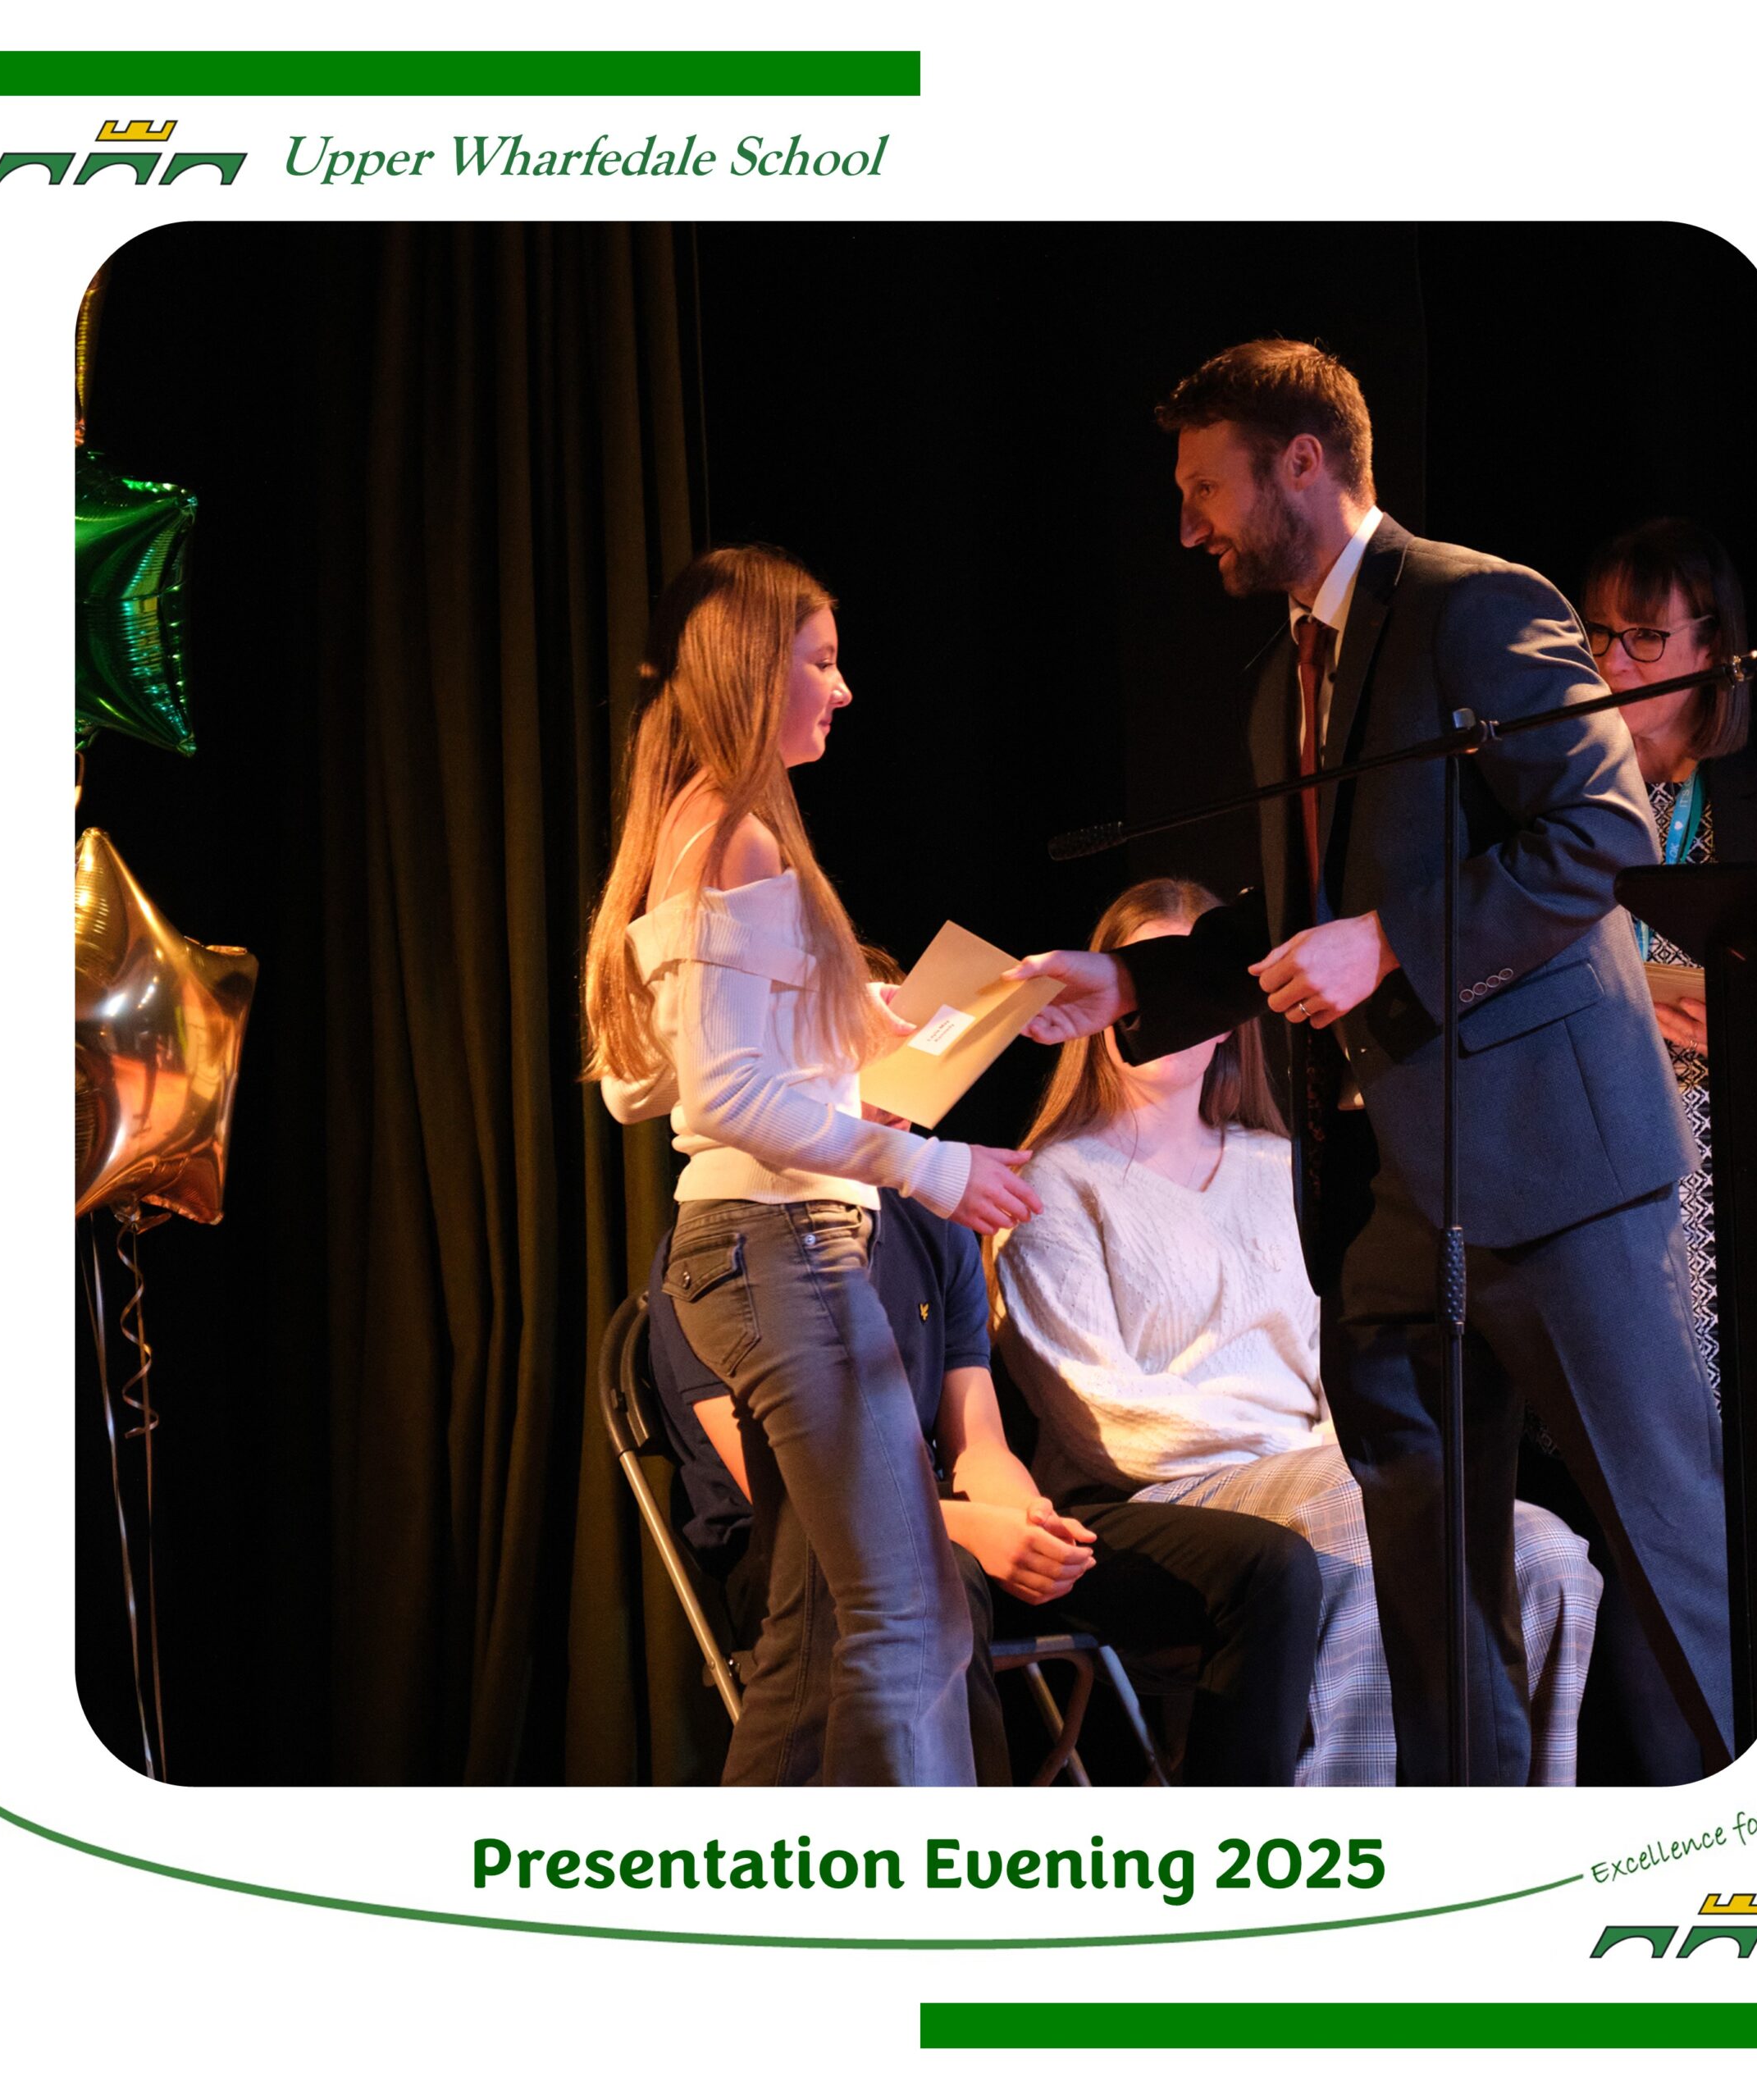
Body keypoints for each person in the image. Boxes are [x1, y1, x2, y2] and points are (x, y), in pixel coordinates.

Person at [1014, 340, 1732, 1783]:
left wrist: (1395, 940)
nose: (1188, 528)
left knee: (1667, 1558)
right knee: (1430, 1590)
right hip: (1390, 1199)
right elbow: (1299, 921)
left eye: (1205, 488)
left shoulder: (1475, 604)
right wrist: (1134, 983)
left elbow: (1601, 833)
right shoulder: (1283, 677)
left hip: (1555, 1172)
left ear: (1302, 465)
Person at [583, 545, 1042, 1786]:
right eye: (821, 662)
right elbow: (727, 1094)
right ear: (751, 668)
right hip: (781, 1250)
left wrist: (865, 1018)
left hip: (753, 1253)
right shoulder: (732, 837)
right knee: (912, 1621)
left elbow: (647, 1075)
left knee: (812, 1641)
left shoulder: (696, 830)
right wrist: (930, 1171)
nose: (843, 690)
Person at [993, 877, 1601, 1785]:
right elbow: (1099, 1413)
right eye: (1137, 978)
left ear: (1224, 1010)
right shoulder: (1050, 1182)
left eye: (1180, 978)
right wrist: (1317, 1459)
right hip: (1163, 1491)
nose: (1157, 1008)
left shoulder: (1280, 1166)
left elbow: (1344, 1359)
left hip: (1322, 1467)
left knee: (1548, 1555)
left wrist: (1343, 1453)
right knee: (1366, 1538)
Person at [648, 1060, 1322, 1787]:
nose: (898, 1094)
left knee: (1265, 1566)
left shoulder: (927, 1222)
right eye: (861, 1067)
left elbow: (978, 1444)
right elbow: (792, 1492)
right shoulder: (735, 1251)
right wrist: (973, 1531)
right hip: (804, 1549)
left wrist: (1026, 1520)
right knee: (948, 1577)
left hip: (950, 1522)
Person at [1579, 516, 1757, 1400]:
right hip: (1594, 1131)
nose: (1614, 662)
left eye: (1646, 637)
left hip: (1734, 1142)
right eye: (1600, 633)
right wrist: (1626, 1001)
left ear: (1713, 643)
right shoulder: (1561, 788)